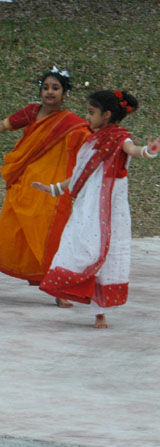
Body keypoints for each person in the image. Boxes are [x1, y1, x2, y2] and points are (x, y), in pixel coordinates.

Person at [34, 89, 160, 329]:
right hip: (87, 208)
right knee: (82, 247)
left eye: (91, 112)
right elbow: (80, 174)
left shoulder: (120, 139)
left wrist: (150, 150)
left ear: (106, 115)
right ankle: (73, 290)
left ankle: (101, 313)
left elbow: (134, 151)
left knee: (107, 253)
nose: (87, 117)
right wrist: (53, 188)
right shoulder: (93, 141)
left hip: (110, 209)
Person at [0, 67, 91, 307]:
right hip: (24, 182)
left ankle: (58, 289)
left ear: (65, 93)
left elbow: (89, 142)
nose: (50, 92)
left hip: (51, 187)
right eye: (46, 87)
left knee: (52, 234)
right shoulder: (32, 112)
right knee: (10, 231)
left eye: (55, 88)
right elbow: (4, 125)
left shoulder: (72, 123)